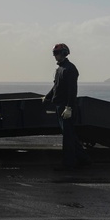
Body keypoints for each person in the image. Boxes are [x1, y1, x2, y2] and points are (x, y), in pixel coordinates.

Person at [43, 42, 90, 170]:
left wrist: (69, 107)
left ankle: (69, 163)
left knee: (68, 137)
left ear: (64, 53)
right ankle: (83, 159)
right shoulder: (60, 69)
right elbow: (56, 86)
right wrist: (47, 96)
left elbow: (72, 90)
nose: (55, 56)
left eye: (56, 53)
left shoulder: (70, 69)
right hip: (59, 106)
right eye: (54, 53)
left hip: (65, 107)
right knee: (69, 134)